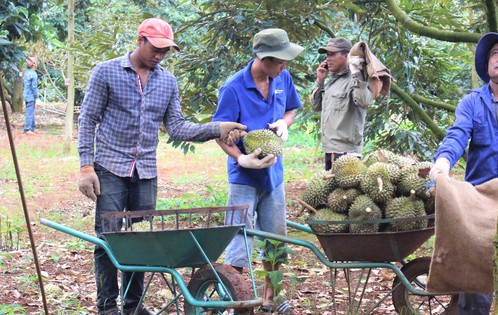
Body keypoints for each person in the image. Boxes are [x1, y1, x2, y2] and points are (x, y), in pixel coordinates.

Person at [77, 18, 246, 315]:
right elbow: (88, 119)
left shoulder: (167, 81)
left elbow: (177, 128)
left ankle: (133, 305)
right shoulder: (107, 72)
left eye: (165, 51)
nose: (159, 55)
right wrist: (85, 167)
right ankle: (107, 307)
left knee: (140, 242)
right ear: (140, 40)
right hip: (110, 169)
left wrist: (217, 129)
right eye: (155, 48)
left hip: (145, 173)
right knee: (108, 240)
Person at [212, 28, 303, 314]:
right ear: (263, 58)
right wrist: (240, 158)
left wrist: (285, 123)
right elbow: (219, 133)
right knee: (241, 237)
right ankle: (237, 297)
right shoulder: (234, 88)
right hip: (244, 177)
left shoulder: (282, 78)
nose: (285, 66)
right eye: (280, 60)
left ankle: (270, 296)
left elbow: (291, 109)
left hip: (273, 174)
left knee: (276, 238)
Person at [429, 32, 498, 315]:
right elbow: (457, 136)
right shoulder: (473, 103)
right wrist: (443, 163)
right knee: (477, 289)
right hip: (481, 204)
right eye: (494, 54)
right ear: (487, 65)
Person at [310, 37, 374, 170]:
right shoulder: (331, 81)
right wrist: (320, 81)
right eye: (327, 55)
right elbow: (316, 106)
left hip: (347, 152)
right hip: (330, 149)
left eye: (332, 54)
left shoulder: (356, 78)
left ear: (346, 56)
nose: (328, 58)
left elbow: (364, 101)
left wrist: (357, 75)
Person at [23, 56, 39, 135]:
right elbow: (34, 87)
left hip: (26, 95)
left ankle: (33, 127)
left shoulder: (26, 73)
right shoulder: (33, 74)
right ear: (34, 64)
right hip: (31, 96)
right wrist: (36, 96)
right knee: (30, 112)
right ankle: (27, 129)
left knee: (31, 111)